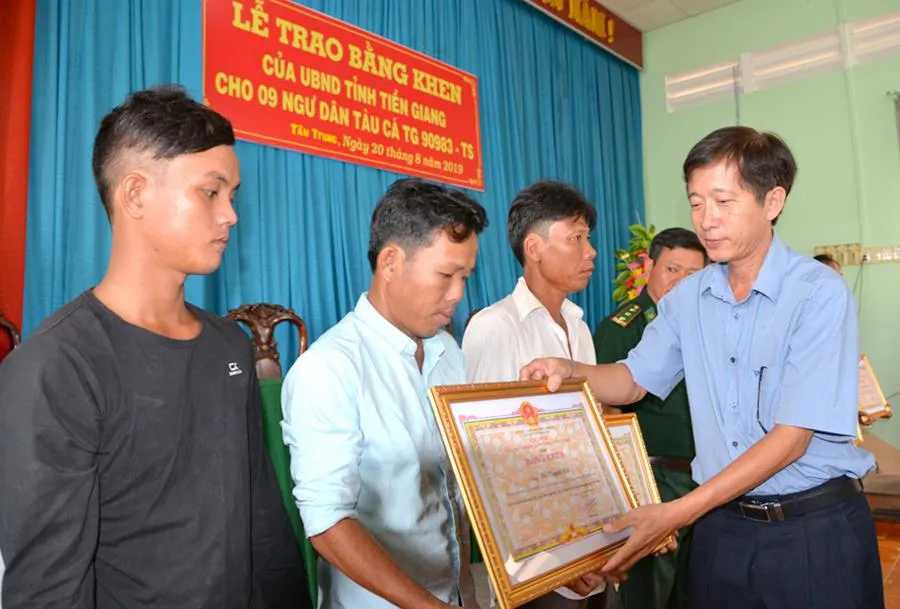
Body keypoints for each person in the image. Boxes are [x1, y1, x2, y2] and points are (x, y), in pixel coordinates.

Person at [522, 126, 883, 609]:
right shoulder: (688, 298)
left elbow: (792, 438)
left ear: (772, 201)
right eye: (696, 203)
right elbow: (632, 380)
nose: (707, 220)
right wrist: (571, 369)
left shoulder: (817, 293)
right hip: (722, 530)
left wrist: (677, 512)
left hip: (811, 530)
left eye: (723, 202)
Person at [0, 86, 310, 608]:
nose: (231, 215)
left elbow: (264, 525)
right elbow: (48, 590)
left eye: (232, 196)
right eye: (210, 193)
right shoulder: (56, 367)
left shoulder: (228, 347)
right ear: (136, 194)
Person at [281, 178, 488, 609]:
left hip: (458, 592)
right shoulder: (330, 368)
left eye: (465, 277)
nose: (458, 294)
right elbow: (327, 522)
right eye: (446, 275)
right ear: (391, 262)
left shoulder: (448, 352)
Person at [462, 180, 607, 608]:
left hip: (592, 541)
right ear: (534, 247)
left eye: (588, 238)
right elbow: (486, 461)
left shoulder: (578, 325)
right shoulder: (496, 327)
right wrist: (552, 560)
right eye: (576, 238)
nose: (591, 252)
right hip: (536, 563)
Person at [592, 228, 706, 609]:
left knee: (689, 592)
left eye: (693, 274)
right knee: (648, 595)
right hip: (653, 482)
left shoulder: (703, 327)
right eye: (672, 269)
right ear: (649, 268)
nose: (681, 282)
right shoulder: (624, 327)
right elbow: (607, 413)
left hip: (700, 482)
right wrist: (633, 494)